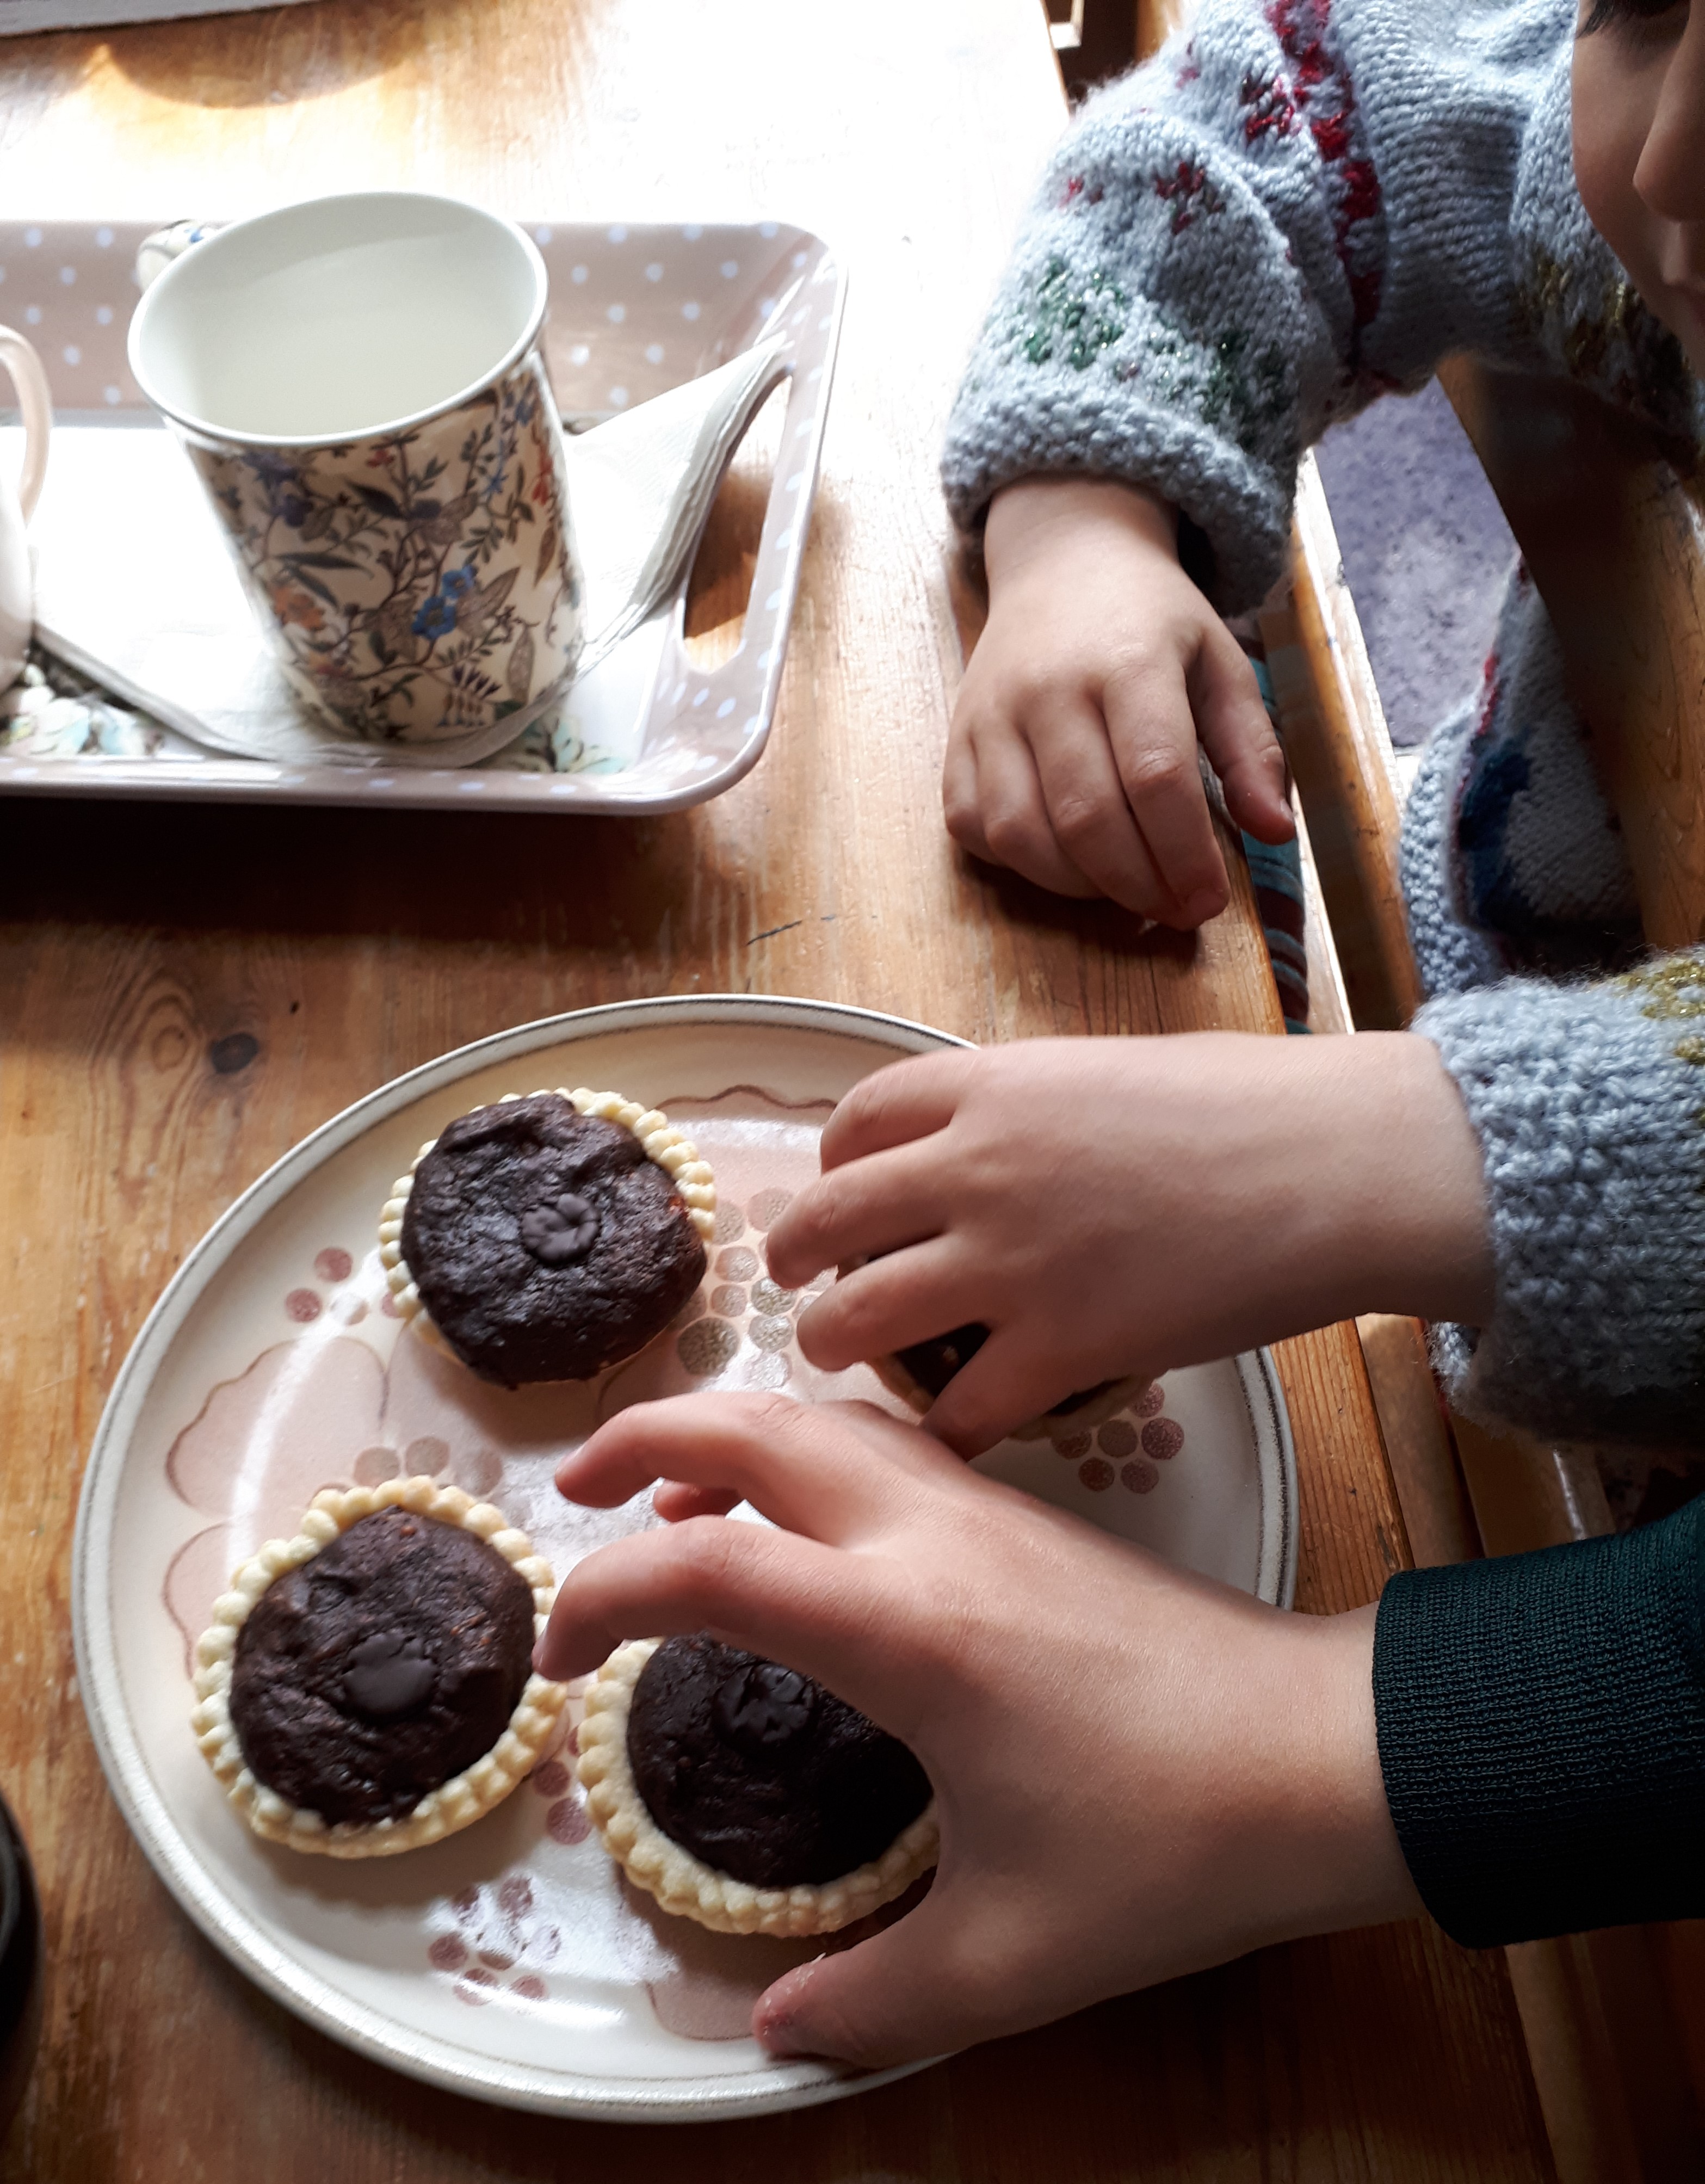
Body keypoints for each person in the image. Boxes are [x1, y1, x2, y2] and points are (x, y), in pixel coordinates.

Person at [538, 0, 1705, 2068]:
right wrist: (1081, 520)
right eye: (1652, 9)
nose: (1674, 160)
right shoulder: (1620, 169)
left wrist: (1321, 1751)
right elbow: (1304, 114)